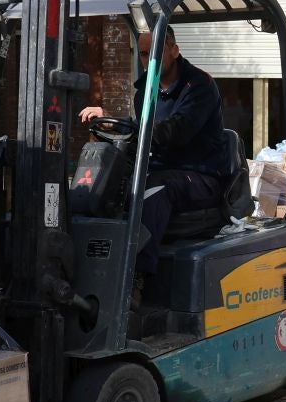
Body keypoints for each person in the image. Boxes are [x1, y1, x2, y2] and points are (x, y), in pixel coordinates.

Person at [78, 26, 233, 291]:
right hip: (163, 171)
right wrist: (111, 125)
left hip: (202, 177)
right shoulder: (144, 94)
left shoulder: (199, 86)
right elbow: (142, 136)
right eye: (143, 54)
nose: (148, 61)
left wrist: (125, 126)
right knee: (105, 186)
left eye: (156, 54)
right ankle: (90, 269)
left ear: (174, 50)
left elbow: (174, 132)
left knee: (154, 189)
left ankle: (136, 279)